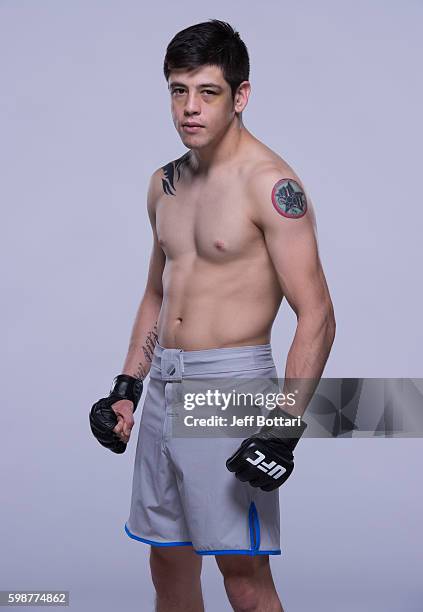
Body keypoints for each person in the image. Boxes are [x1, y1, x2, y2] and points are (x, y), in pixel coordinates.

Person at [90, 19, 336, 612]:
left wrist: (282, 428)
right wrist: (127, 387)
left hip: (228, 389)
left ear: (241, 95)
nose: (189, 108)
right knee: (167, 558)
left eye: (207, 91)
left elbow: (318, 315)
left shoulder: (271, 185)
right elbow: (158, 294)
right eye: (178, 90)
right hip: (165, 383)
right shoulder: (164, 185)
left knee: (241, 573)